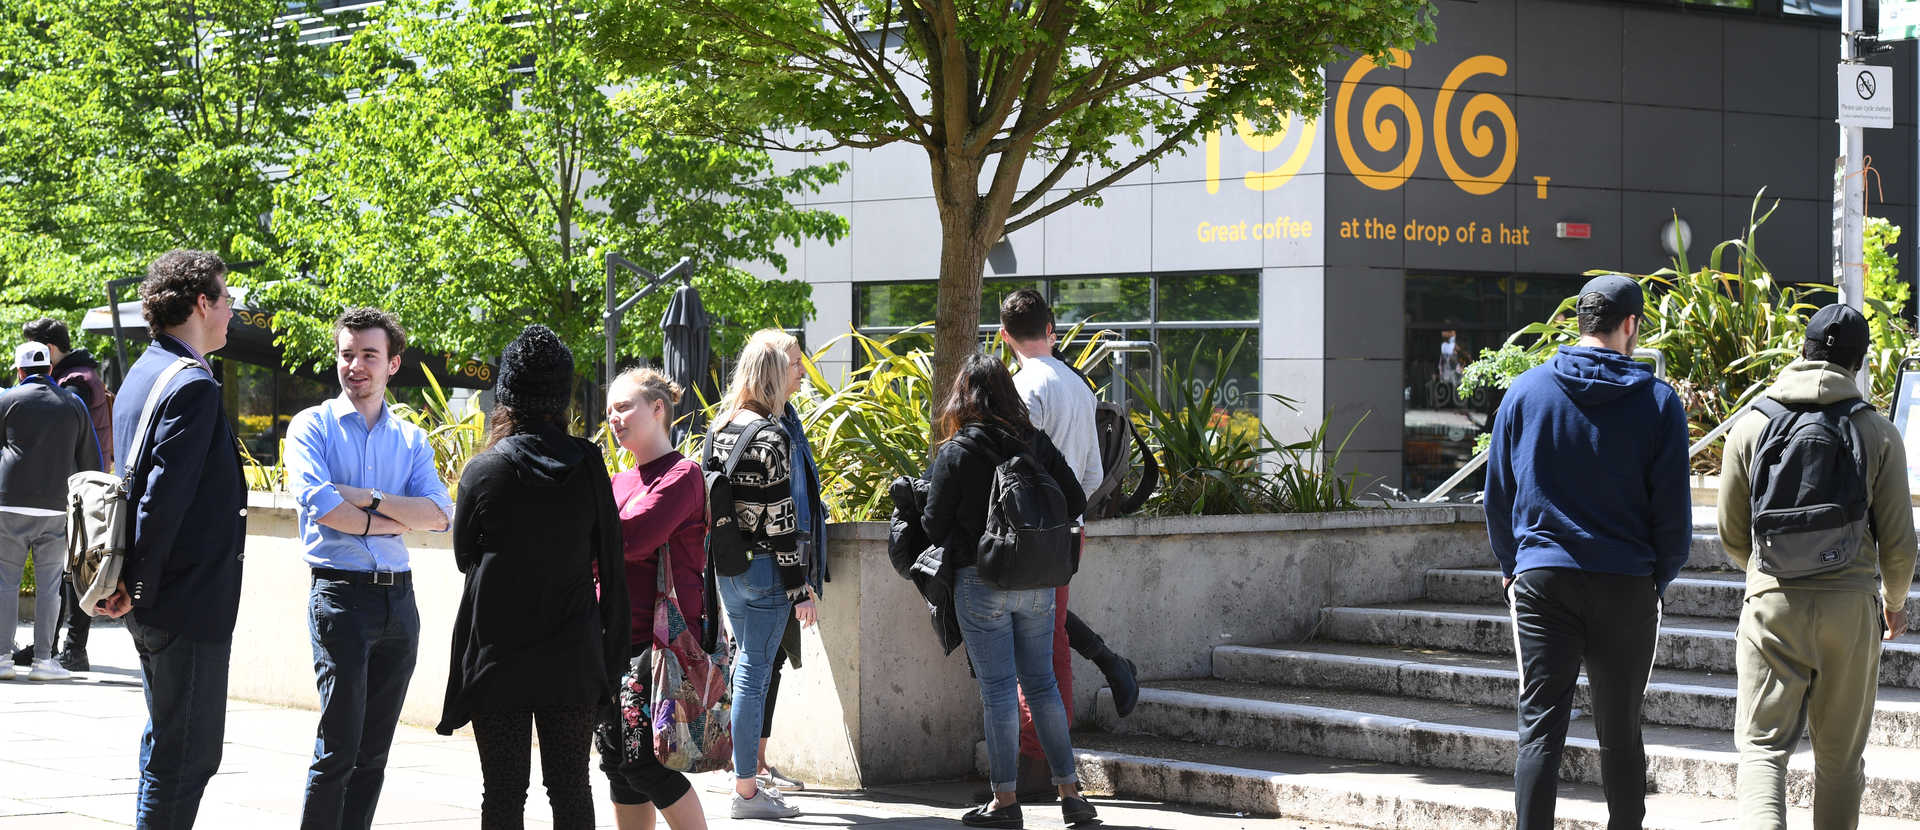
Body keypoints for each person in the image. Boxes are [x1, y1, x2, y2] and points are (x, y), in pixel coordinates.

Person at [1483, 274, 1691, 830]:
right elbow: (1674, 515)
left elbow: (1498, 495)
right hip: (1627, 582)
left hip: (1542, 577)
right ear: (1631, 325)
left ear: (1580, 322)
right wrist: (1658, 578)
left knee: (1539, 728)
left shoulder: (1525, 392)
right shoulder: (1658, 402)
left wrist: (1512, 567)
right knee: (1620, 730)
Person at [1718, 303, 1917, 830]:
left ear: (1802, 350)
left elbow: (1731, 533)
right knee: (1840, 760)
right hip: (1850, 610)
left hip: (1772, 604)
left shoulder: (1752, 424)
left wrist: (1766, 573)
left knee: (1763, 750)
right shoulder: (1877, 432)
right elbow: (1900, 546)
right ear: (1861, 362)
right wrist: (1894, 603)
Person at [439, 325, 629, 830]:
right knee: (571, 789)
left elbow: (463, 555)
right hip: (573, 657)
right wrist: (611, 662)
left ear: (506, 396)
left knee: (503, 794)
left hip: (498, 657)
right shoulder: (590, 464)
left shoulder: (483, 471)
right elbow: (612, 560)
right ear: (561, 397)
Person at [95, 249, 249, 829]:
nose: (232, 311)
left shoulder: (145, 370)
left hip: (157, 598)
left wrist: (132, 586)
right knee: (186, 757)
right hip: (185, 601)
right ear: (202, 303)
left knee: (167, 744)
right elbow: (160, 500)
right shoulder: (193, 386)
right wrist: (137, 584)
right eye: (227, 299)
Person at [286, 308, 453, 829]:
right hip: (340, 597)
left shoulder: (411, 440)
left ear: (392, 364)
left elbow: (440, 515)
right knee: (338, 747)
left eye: (368, 356)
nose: (354, 365)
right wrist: (392, 519)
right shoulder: (311, 426)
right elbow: (322, 505)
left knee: (374, 753)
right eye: (346, 354)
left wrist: (367, 498)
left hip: (399, 603)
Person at [924, 352, 1098, 829]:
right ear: (1008, 392)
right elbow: (1075, 498)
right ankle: (1072, 796)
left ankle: (1005, 801)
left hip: (979, 580)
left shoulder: (957, 451)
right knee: (1042, 684)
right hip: (1037, 583)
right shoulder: (1033, 441)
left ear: (963, 396)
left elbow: (934, 525)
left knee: (999, 690)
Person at [996, 289, 1140, 797]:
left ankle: (1037, 762)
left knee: (1031, 650)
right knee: (1051, 641)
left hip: (1026, 535)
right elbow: (1095, 474)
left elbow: (1010, 468)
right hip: (1068, 531)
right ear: (1050, 330)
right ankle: (1045, 761)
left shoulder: (1021, 389)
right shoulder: (1080, 387)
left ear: (1004, 335)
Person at [707, 329, 822, 820]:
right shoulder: (772, 437)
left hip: (728, 570)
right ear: (773, 378)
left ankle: (745, 784)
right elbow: (781, 522)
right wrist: (800, 589)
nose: (798, 377)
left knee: (743, 671)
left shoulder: (719, 429)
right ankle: (747, 791)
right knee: (754, 675)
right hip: (766, 572)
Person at [597, 368, 711, 830]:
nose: (614, 418)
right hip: (611, 638)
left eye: (624, 407)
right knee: (616, 760)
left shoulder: (683, 475)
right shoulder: (618, 482)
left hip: (658, 646)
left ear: (658, 408)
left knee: (644, 760)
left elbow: (634, 537)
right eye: (609, 411)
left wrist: (588, 539)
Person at [12, 317, 113, 671]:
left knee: (71, 571)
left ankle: (70, 649)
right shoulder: (79, 376)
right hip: (77, 483)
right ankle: (53, 647)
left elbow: (63, 434)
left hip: (74, 487)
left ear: (50, 349)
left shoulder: (75, 382)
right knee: (67, 569)